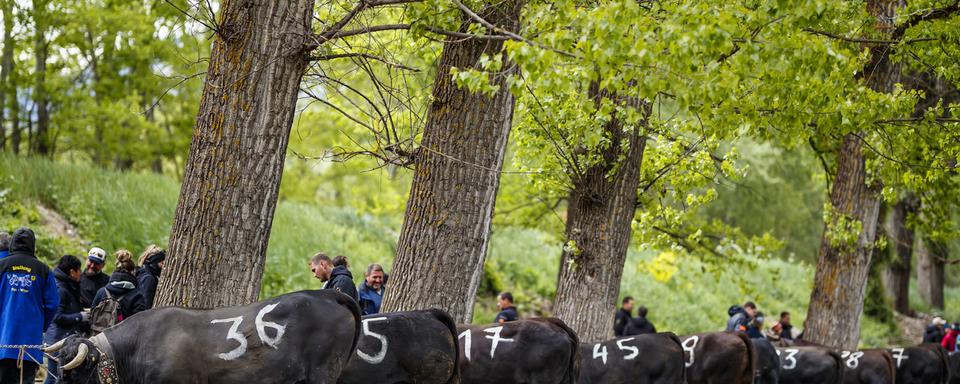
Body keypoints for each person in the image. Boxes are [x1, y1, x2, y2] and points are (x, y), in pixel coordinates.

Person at [0, 228, 58, 383]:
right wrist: (42, 326)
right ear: (33, 244)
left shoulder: (2, 265)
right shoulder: (43, 270)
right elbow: (53, 304)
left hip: (3, 342)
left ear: (12, 243)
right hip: (30, 345)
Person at [44, 255, 90, 384]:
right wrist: (80, 316)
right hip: (57, 340)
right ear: (72, 272)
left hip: (62, 339)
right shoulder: (61, 289)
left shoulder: (68, 285)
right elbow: (56, 317)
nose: (81, 273)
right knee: (54, 378)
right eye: (79, 270)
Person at [91, 250, 147, 331]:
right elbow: (138, 325)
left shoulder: (102, 291)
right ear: (133, 272)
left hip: (99, 339)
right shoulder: (137, 296)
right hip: (123, 341)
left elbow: (92, 315)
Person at [136, 245, 165, 309]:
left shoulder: (141, 273)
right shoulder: (148, 278)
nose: (164, 267)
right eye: (162, 263)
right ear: (154, 262)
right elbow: (146, 304)